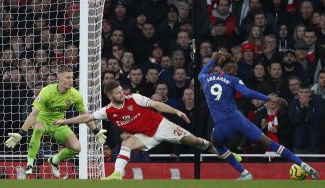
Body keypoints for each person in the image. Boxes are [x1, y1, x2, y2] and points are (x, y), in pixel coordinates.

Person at [53, 80, 240, 180]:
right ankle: (117, 174)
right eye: (117, 92)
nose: (121, 94)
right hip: (145, 136)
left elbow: (157, 105)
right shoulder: (107, 111)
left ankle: (223, 152)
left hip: (162, 126)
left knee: (197, 142)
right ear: (109, 95)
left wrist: (176, 111)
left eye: (121, 90)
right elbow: (86, 117)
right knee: (126, 142)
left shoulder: (134, 98)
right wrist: (64, 122)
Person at [198, 52, 319, 180]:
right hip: (237, 120)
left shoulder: (205, 78)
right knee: (270, 144)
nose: (236, 71)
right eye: (234, 69)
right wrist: (268, 98)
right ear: (228, 68)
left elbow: (201, 73)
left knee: (218, 145)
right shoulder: (233, 79)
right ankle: (302, 164)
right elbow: (247, 92)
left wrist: (212, 60)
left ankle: (244, 173)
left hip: (220, 124)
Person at [4, 65, 107, 177]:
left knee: (77, 148)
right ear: (59, 78)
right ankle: (30, 163)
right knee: (38, 128)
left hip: (58, 123)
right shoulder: (47, 91)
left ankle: (54, 160)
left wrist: (96, 131)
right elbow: (34, 114)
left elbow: (85, 116)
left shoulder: (75, 95)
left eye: (72, 77)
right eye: (68, 77)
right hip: (42, 119)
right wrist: (21, 133)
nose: (71, 80)